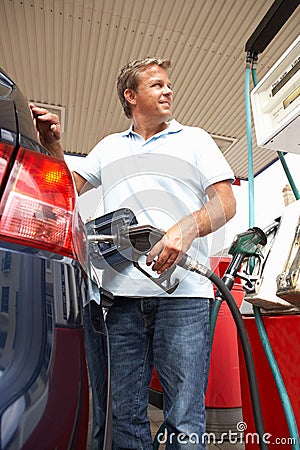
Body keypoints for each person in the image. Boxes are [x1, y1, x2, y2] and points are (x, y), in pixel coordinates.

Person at [30, 57, 236, 449]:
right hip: (120, 302)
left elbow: (225, 202)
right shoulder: (108, 147)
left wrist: (185, 228)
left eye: (168, 84)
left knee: (184, 420)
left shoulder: (195, 140)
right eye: (157, 85)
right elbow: (64, 191)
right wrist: (53, 144)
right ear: (131, 95)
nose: (168, 91)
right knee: (124, 417)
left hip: (184, 300)